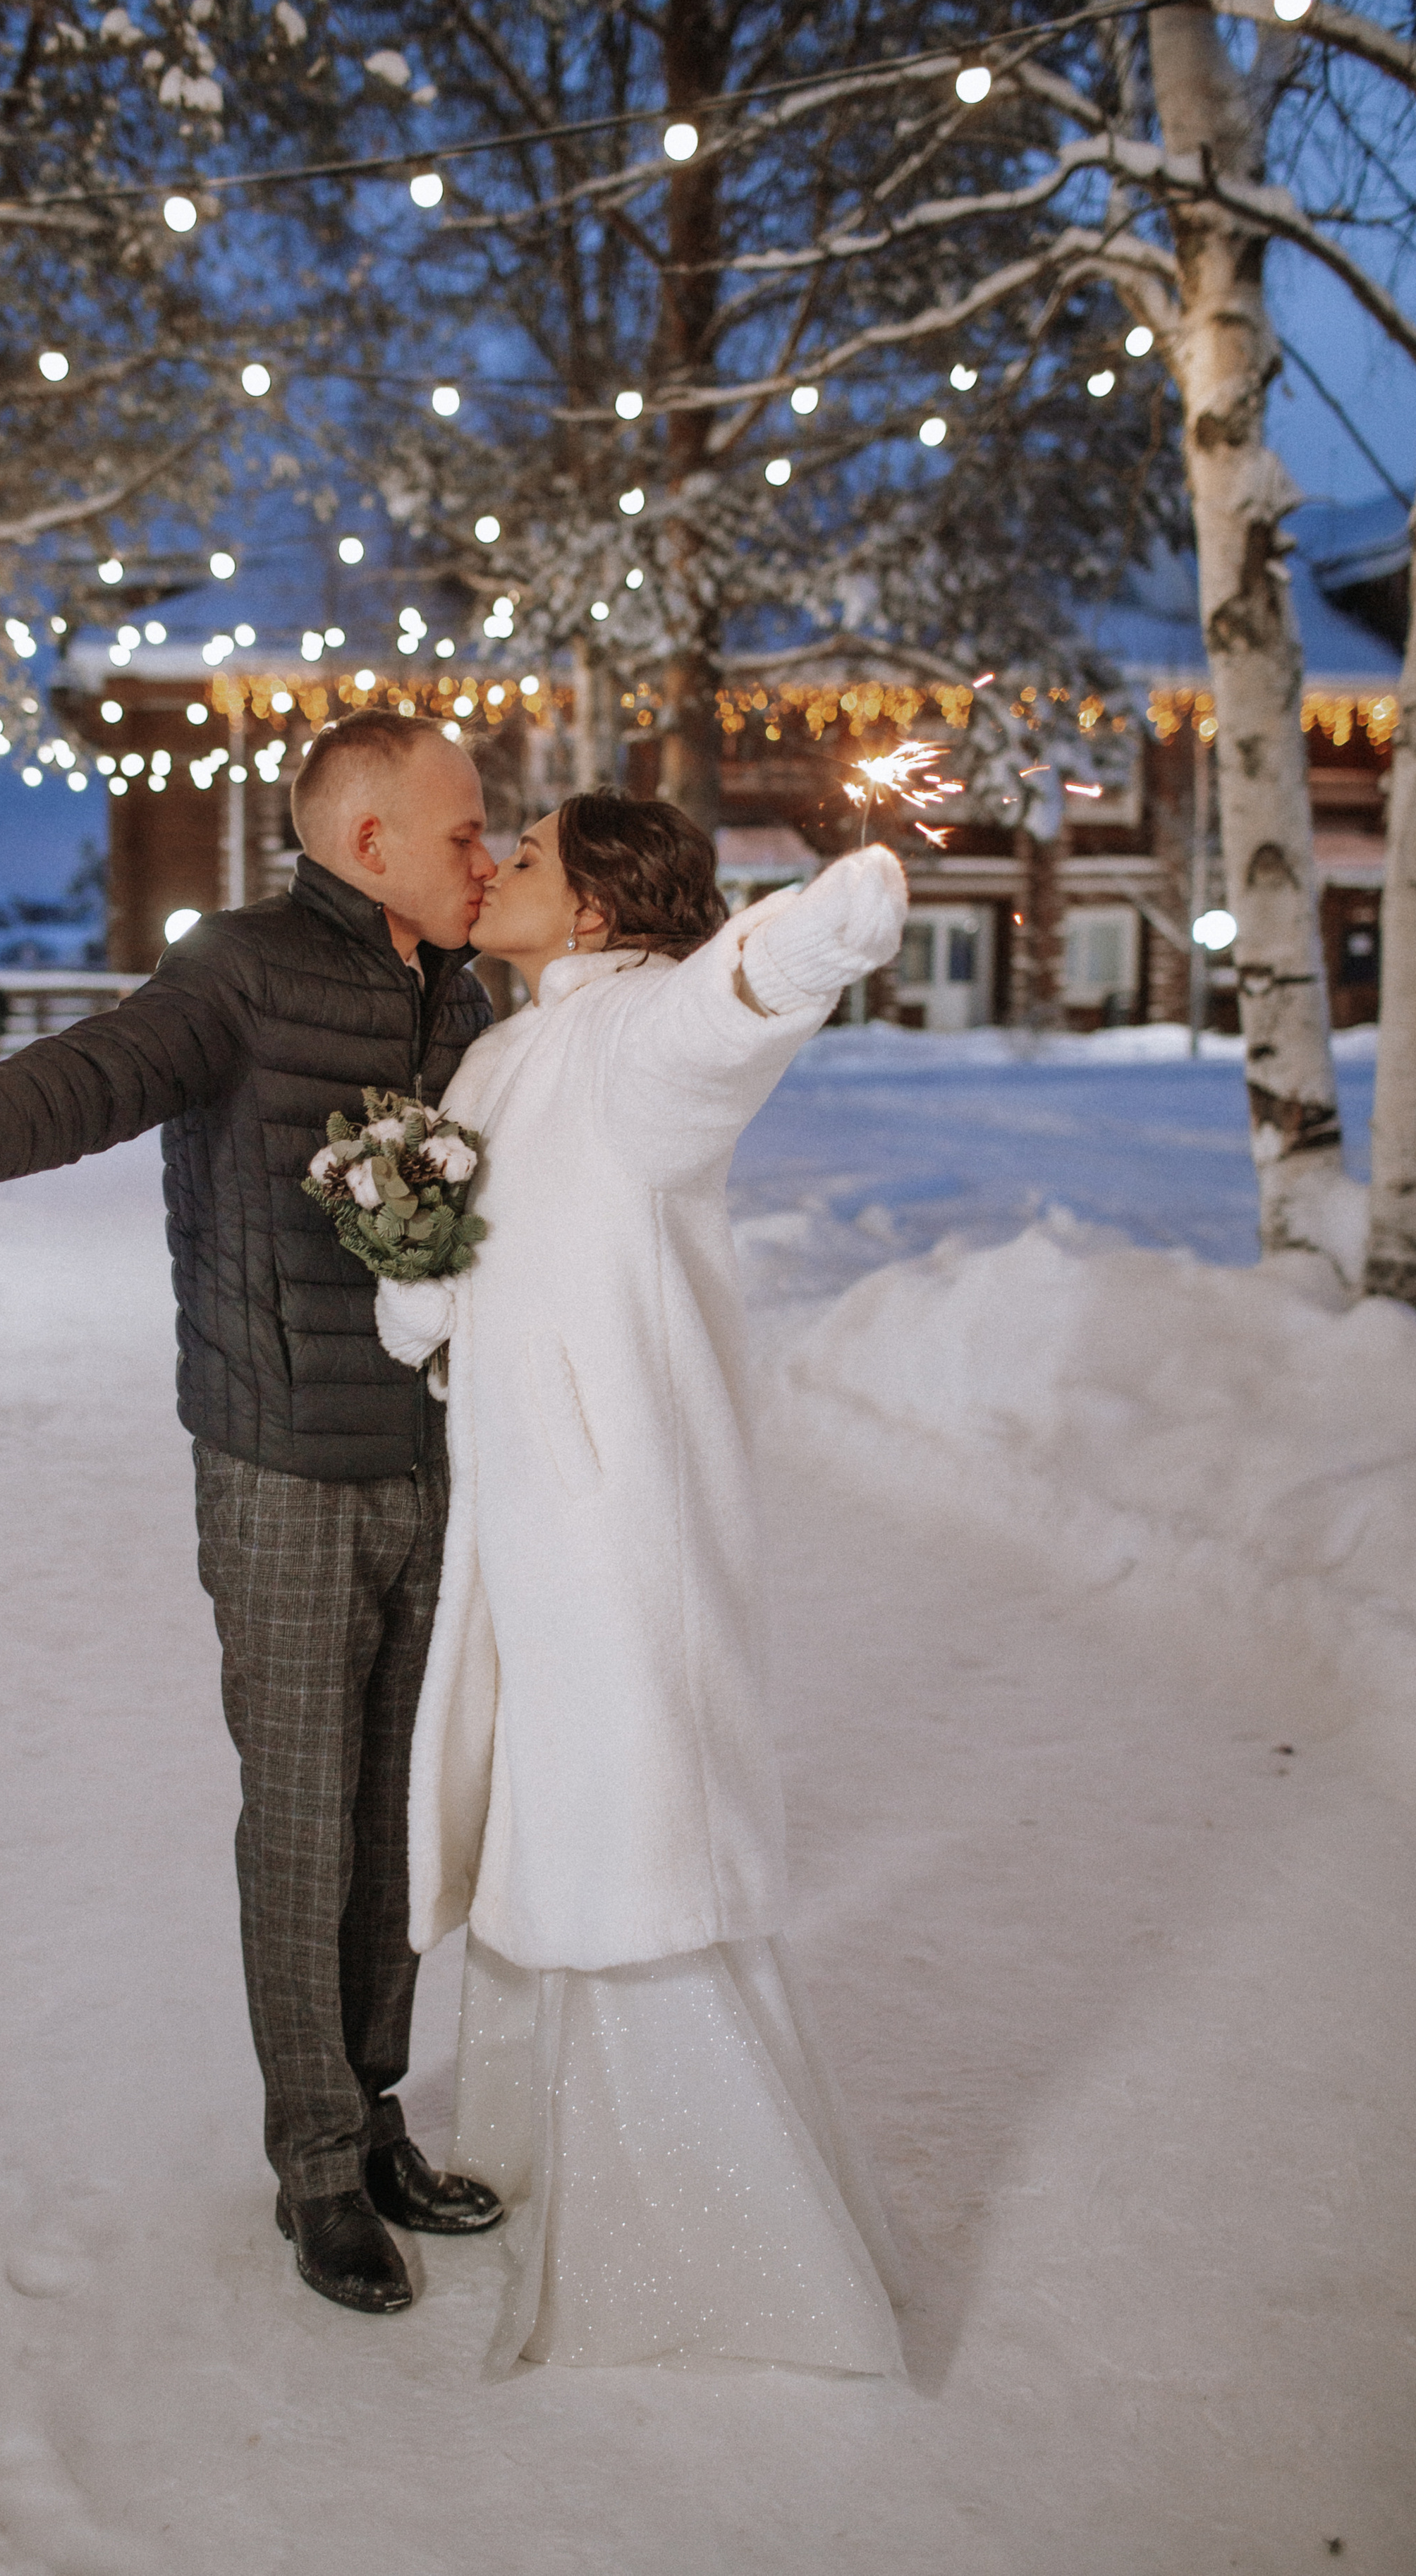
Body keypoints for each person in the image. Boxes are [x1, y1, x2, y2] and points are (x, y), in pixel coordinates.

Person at [0, 713, 508, 2317]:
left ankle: (375, 2113)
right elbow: (77, 1087)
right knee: (306, 1816)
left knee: (397, 1815)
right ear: (366, 838)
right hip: (278, 1466)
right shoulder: (235, 969)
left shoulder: (464, 983)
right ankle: (314, 2163)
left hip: (432, 1457)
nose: (487, 854)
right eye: (461, 831)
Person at [374, 793, 911, 2376]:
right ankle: (549, 2163)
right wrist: (418, 1285)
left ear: (601, 914)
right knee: (554, 1818)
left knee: (634, 1835)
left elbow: (716, 1023)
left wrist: (813, 931)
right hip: (522, 1514)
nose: (494, 868)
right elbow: (473, 1244)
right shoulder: (496, 1050)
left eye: (525, 858)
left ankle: (726, 2255)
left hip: (618, 1528)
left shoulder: (624, 1044)